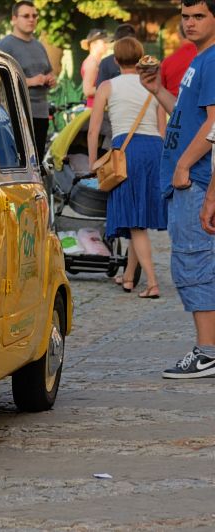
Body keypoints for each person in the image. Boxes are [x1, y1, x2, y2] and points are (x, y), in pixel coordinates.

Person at [139, 0, 215, 379]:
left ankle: (207, 352)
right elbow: (187, 117)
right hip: (190, 179)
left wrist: (184, 164)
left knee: (194, 262)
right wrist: (156, 91)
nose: (189, 23)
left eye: (199, 16)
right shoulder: (197, 60)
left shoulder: (213, 59)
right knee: (194, 261)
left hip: (197, 179)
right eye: (186, 17)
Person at [88, 37, 167, 302]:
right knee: (139, 219)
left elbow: (94, 128)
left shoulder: (108, 86)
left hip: (126, 150)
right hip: (154, 150)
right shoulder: (152, 85)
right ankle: (130, 277)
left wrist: (92, 161)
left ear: (115, 60)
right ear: (141, 57)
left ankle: (153, 282)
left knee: (135, 220)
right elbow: (162, 128)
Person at [0, 1, 56, 162]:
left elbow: (48, 71)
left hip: (41, 112)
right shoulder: (4, 46)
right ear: (14, 19)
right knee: (20, 162)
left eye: (34, 16)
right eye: (26, 16)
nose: (31, 19)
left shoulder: (39, 45)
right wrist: (29, 81)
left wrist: (50, 79)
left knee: (37, 161)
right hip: (16, 114)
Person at [161, 23, 198, 97]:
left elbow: (161, 92)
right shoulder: (206, 57)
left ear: (178, 35)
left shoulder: (167, 62)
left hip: (172, 105)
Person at [80, 29, 109, 107]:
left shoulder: (97, 61)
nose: (107, 45)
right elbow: (88, 91)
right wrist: (111, 87)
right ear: (93, 44)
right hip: (95, 109)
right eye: (104, 42)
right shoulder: (92, 63)